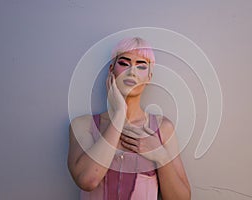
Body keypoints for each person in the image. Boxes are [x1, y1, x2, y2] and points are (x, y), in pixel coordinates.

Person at [67, 37, 191, 200]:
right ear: (111, 69)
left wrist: (161, 156)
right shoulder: (83, 125)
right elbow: (88, 180)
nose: (131, 71)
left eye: (140, 66)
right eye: (124, 63)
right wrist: (119, 114)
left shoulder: (162, 128)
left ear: (149, 76)